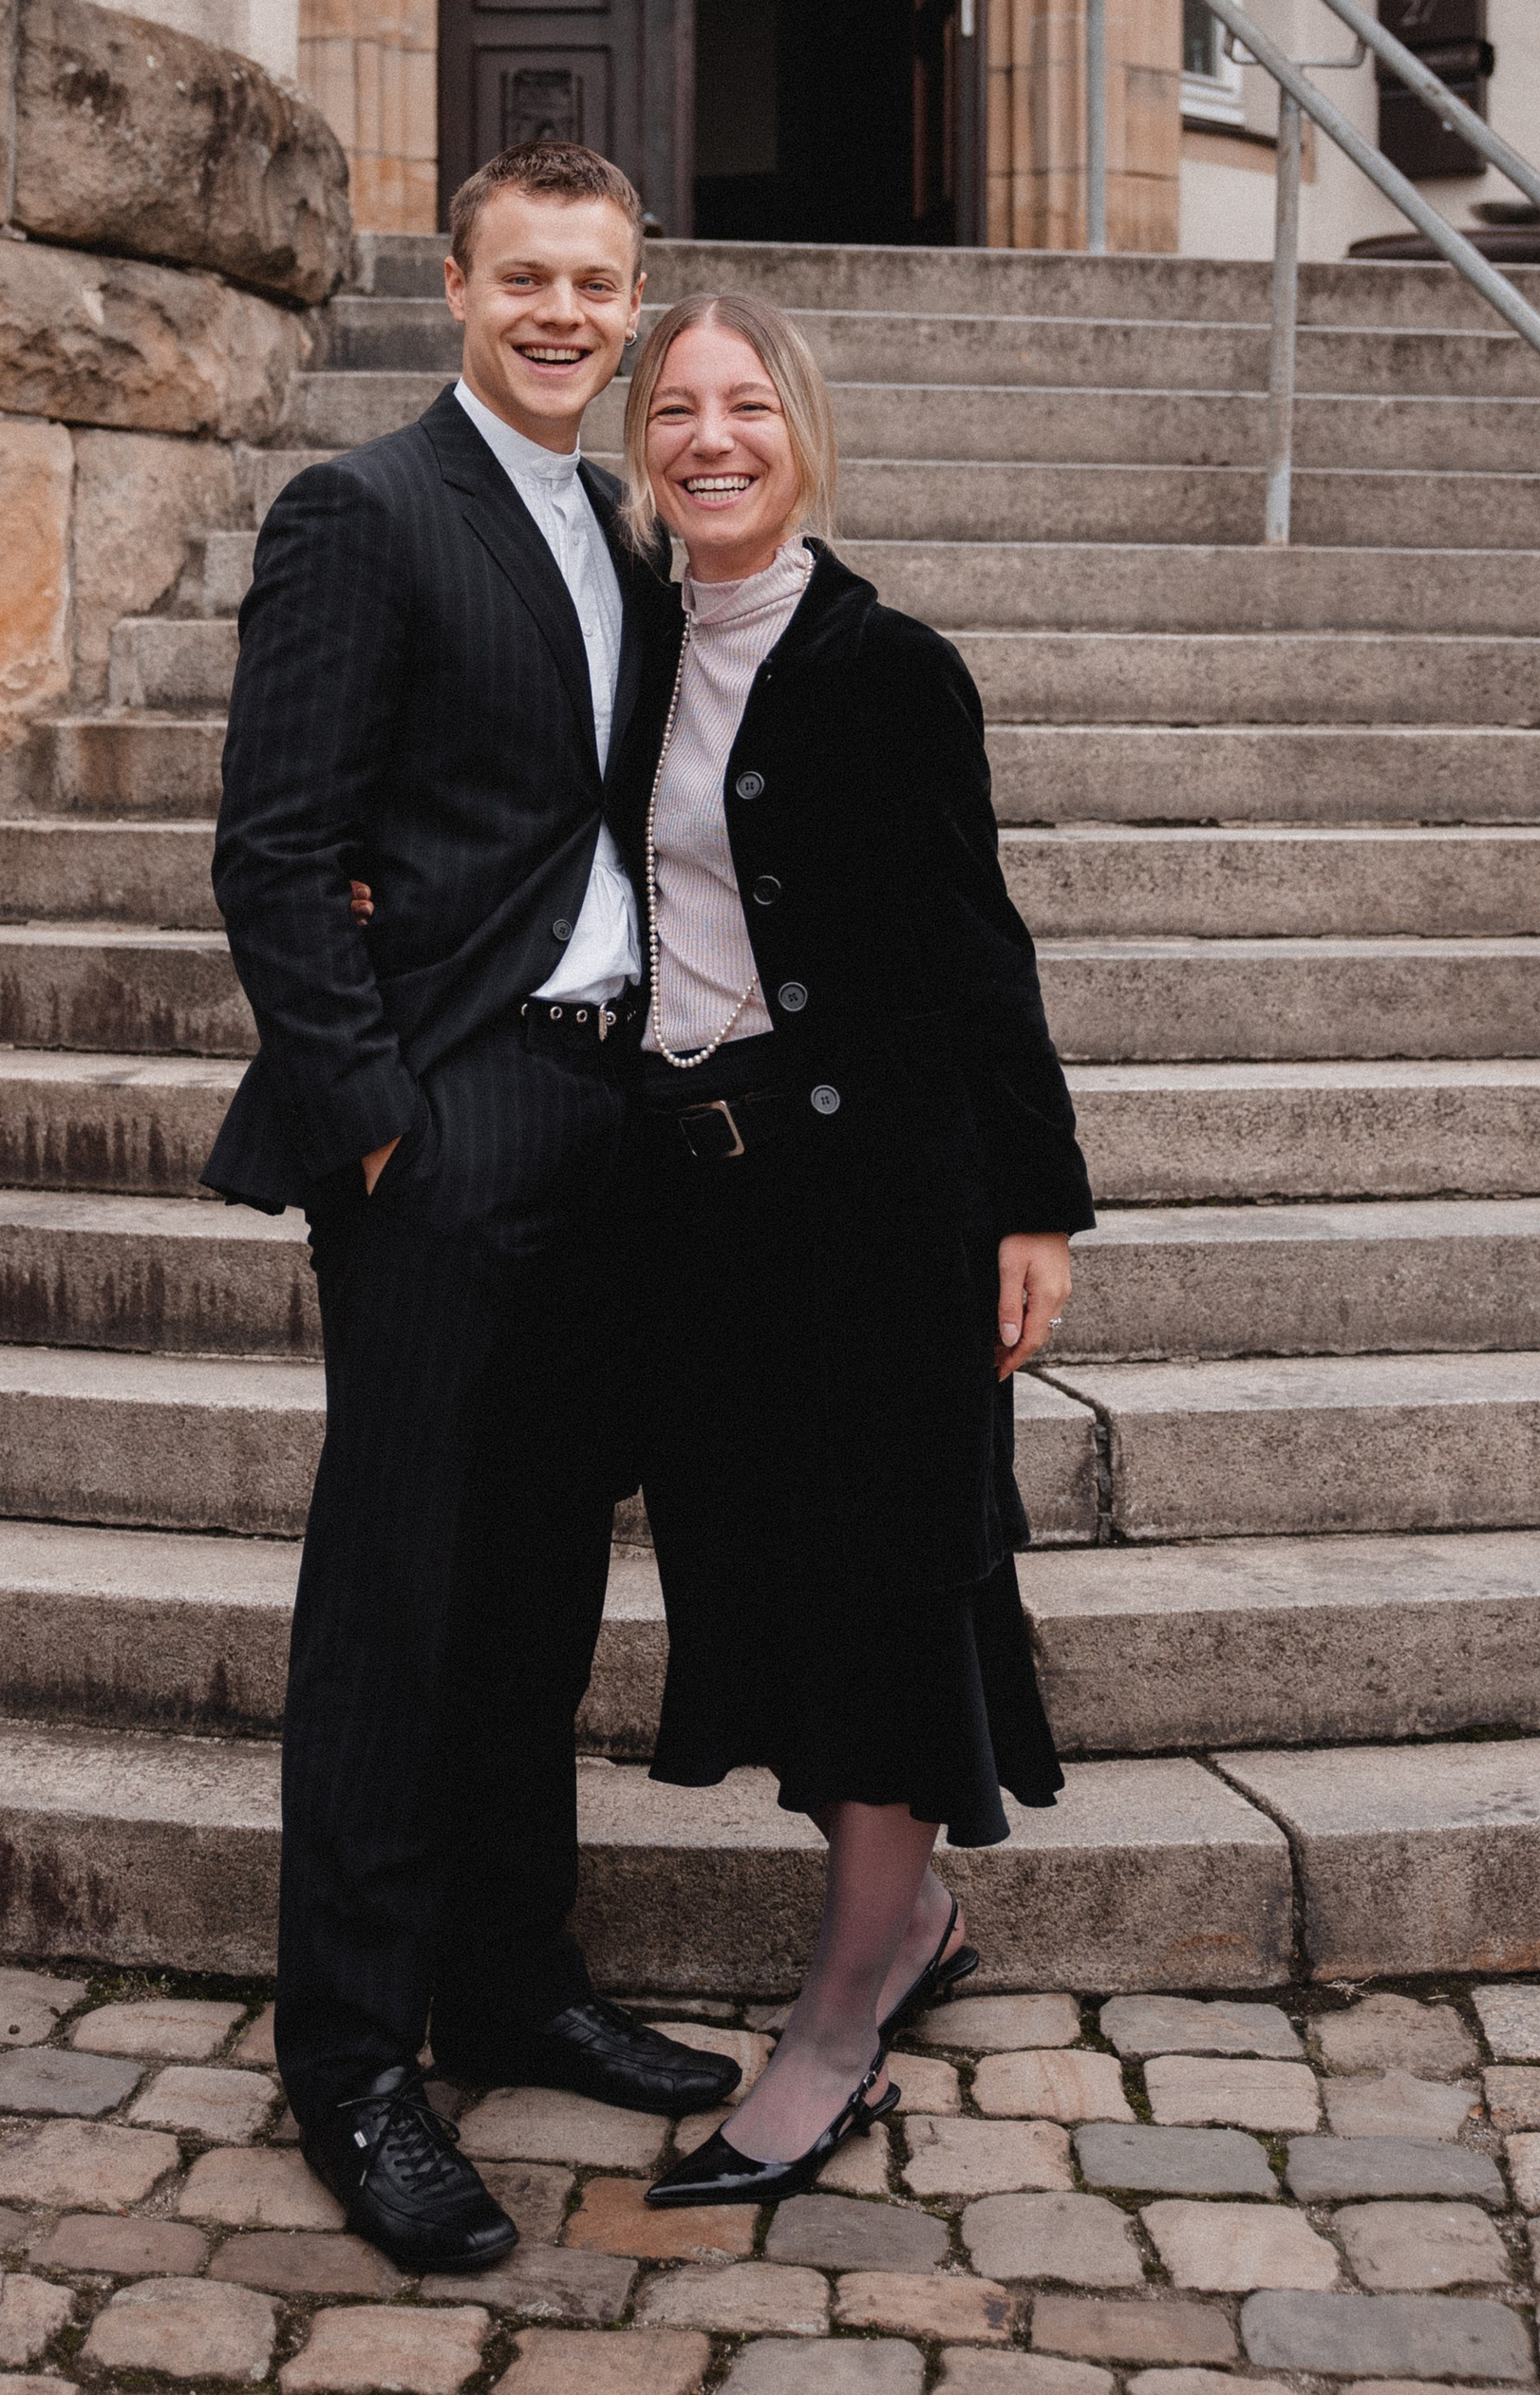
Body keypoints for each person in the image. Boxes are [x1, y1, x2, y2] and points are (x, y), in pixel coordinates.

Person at [205, 144, 741, 2273]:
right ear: (451, 285)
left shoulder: (625, 523)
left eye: (594, 283)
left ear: (631, 298)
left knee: (534, 1590)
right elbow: (272, 848)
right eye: (522, 276)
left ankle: (511, 1982)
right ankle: (349, 2055)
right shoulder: (362, 510)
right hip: (446, 1122)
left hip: (608, 1118)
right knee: (397, 1601)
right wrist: (373, 1130)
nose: (561, 313)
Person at [605, 290, 1094, 2211]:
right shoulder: (624, 653)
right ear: (640, 443)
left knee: (882, 1583)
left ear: (799, 435)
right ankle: (911, 1924)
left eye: (744, 406)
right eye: (675, 408)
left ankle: (838, 2011)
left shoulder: (887, 667)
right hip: (692, 1200)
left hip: (876, 1199)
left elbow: (976, 945)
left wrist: (1031, 1200)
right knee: (756, 1575)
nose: (708, 437)